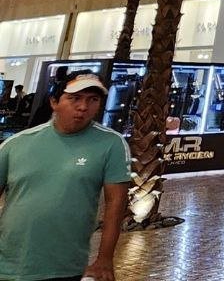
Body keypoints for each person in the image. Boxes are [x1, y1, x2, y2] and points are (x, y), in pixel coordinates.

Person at [0, 70, 130, 281]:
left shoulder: (111, 144)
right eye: (74, 98)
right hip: (7, 263)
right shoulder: (17, 144)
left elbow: (115, 205)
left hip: (64, 267)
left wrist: (105, 259)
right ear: (54, 102)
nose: (83, 107)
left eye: (93, 100)